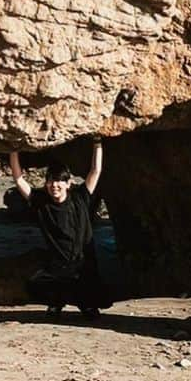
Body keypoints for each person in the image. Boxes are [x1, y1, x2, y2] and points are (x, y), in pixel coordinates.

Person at [9, 132, 115, 320]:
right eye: (50, 181)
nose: (54, 185)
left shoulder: (80, 198)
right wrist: (14, 150)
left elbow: (95, 171)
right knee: (38, 284)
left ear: (68, 184)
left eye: (59, 181)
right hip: (58, 264)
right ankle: (55, 304)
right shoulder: (41, 202)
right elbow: (19, 179)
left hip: (83, 261)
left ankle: (87, 305)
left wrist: (97, 142)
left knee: (90, 298)